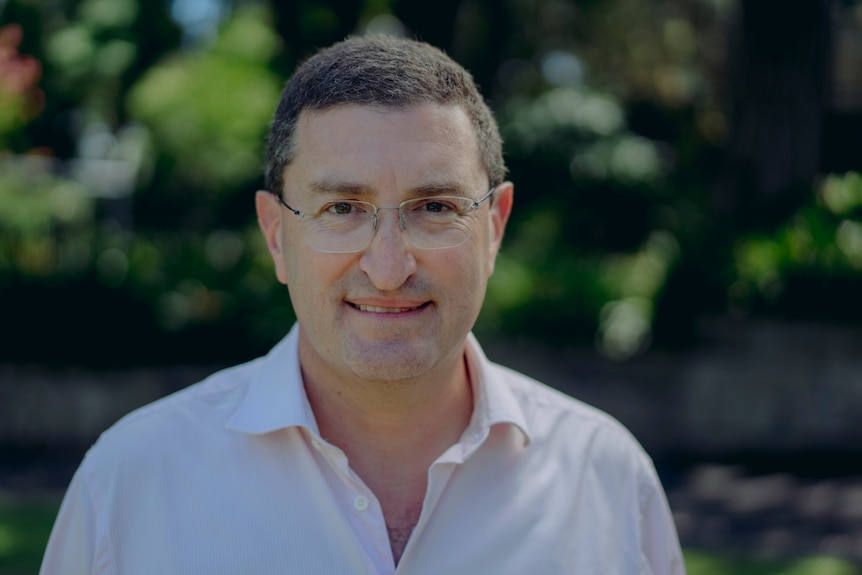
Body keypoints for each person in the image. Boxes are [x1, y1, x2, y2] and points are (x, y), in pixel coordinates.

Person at [41, 35, 685, 574]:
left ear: (493, 228)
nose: (387, 267)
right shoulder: (129, 487)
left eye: (435, 208)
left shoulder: (609, 481)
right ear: (276, 234)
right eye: (342, 209)